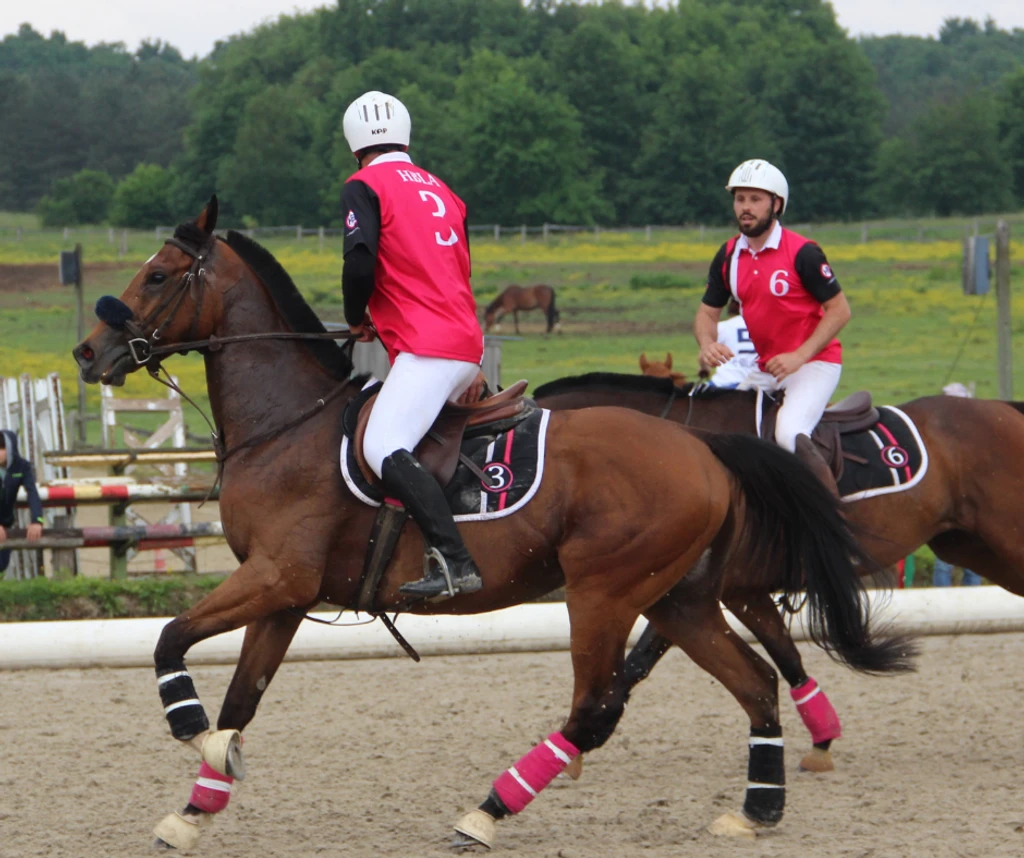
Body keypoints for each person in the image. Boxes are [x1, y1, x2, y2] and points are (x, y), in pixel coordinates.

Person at [340, 90, 485, 601]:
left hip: (429, 348)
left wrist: (356, 317)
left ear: (354, 144)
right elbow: (455, 271)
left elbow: (359, 263)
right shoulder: (445, 191)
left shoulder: (364, 184)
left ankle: (455, 561)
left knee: (381, 446)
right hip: (465, 342)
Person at [694, 159, 852, 489]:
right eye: (740, 199)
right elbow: (707, 314)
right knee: (722, 427)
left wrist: (799, 356)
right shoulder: (727, 256)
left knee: (789, 433)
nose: (745, 208)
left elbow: (839, 310)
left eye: (755, 199)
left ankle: (830, 517)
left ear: (776, 204)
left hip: (815, 364)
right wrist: (707, 344)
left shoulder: (803, 253)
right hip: (765, 367)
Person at [0, 429, 45, 574]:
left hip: (6, 523)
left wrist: (37, 520)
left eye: (2, 448)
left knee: (2, 563)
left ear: (11, 448)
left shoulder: (22, 466)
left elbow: (32, 492)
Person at [704, 299, 759, 389]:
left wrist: (704, 369)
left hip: (726, 382)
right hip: (758, 384)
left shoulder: (723, 326)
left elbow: (706, 355)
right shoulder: (766, 325)